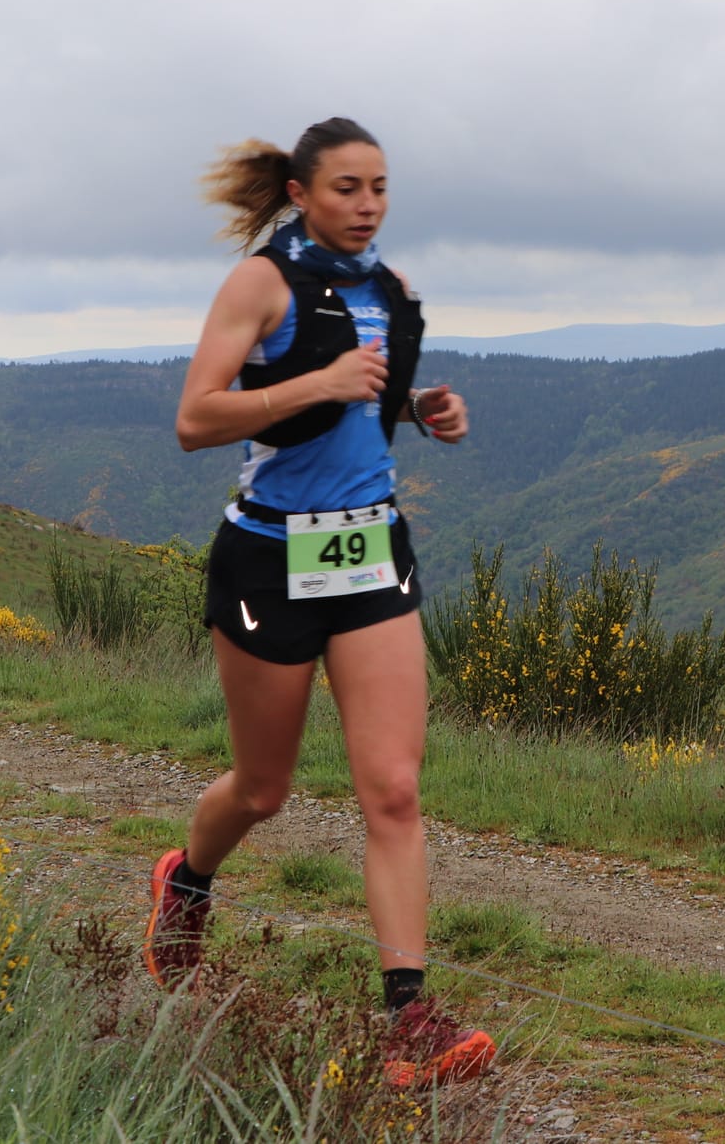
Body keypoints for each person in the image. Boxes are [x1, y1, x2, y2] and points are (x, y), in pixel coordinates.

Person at [146, 116, 493, 1088]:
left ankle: (409, 1020)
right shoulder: (261, 283)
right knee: (264, 790)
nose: (367, 205)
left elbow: (363, 408)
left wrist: (423, 411)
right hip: (269, 558)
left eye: (379, 187)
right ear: (300, 193)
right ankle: (186, 883)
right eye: (347, 187)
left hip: (372, 553)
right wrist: (318, 381)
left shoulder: (391, 290)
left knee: (394, 790)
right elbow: (194, 418)